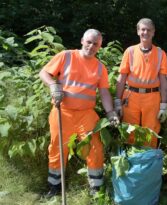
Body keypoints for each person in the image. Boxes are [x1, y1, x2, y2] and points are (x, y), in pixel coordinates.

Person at [39, 29, 119, 197]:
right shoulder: (66, 56)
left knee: (95, 148)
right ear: (82, 40)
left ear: (100, 46)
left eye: (95, 44)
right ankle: (54, 187)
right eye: (89, 42)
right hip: (62, 112)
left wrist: (111, 112)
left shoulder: (99, 67)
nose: (91, 46)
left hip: (86, 114)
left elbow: (104, 92)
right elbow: (44, 73)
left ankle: (96, 189)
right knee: (57, 148)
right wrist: (53, 86)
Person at [115, 18, 167, 148]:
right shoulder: (130, 51)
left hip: (152, 97)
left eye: (149, 29)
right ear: (138, 31)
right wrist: (117, 101)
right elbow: (121, 78)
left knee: (150, 132)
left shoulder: (160, 54)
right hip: (131, 96)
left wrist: (164, 105)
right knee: (129, 131)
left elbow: (164, 82)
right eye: (143, 29)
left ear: (153, 32)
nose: (146, 32)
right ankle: (131, 164)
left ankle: (148, 164)